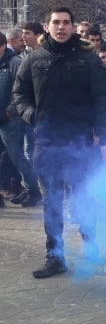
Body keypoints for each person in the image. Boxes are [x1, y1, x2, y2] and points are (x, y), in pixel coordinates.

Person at [13, 8, 106, 278]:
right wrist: (32, 116)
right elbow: (19, 95)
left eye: (66, 23)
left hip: (81, 141)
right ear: (47, 27)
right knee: (52, 201)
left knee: (83, 196)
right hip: (47, 143)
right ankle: (54, 255)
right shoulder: (33, 60)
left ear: (72, 27)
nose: (61, 27)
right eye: (56, 23)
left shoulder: (88, 60)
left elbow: (102, 100)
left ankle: (90, 244)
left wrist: (105, 137)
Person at [0, 31, 41, 207]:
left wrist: (10, 111)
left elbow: (22, 89)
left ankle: (34, 190)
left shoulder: (14, 62)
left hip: (13, 119)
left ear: (3, 46)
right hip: (4, 120)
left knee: (17, 156)